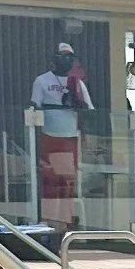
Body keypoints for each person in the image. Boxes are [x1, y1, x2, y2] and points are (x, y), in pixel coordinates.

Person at [31, 42, 93, 218]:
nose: (66, 60)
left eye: (70, 57)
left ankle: (65, 221)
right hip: (49, 136)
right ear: (54, 59)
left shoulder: (78, 84)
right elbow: (34, 107)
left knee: (67, 184)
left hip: (71, 138)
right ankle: (49, 221)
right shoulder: (42, 80)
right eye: (63, 56)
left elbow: (89, 111)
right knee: (50, 181)